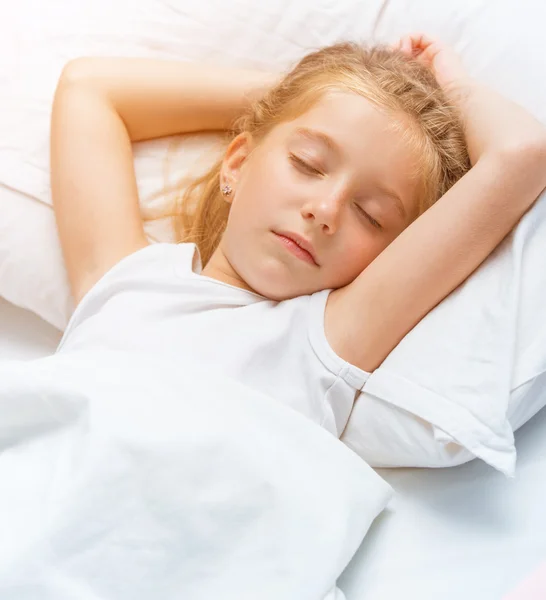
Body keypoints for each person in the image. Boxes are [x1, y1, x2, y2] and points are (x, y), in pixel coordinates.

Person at [49, 34, 546, 438]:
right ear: (237, 162)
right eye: (307, 163)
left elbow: (521, 154)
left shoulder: (327, 340)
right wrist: (320, 90)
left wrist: (450, 82)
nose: (325, 211)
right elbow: (88, 87)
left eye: (370, 215)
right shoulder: (126, 279)